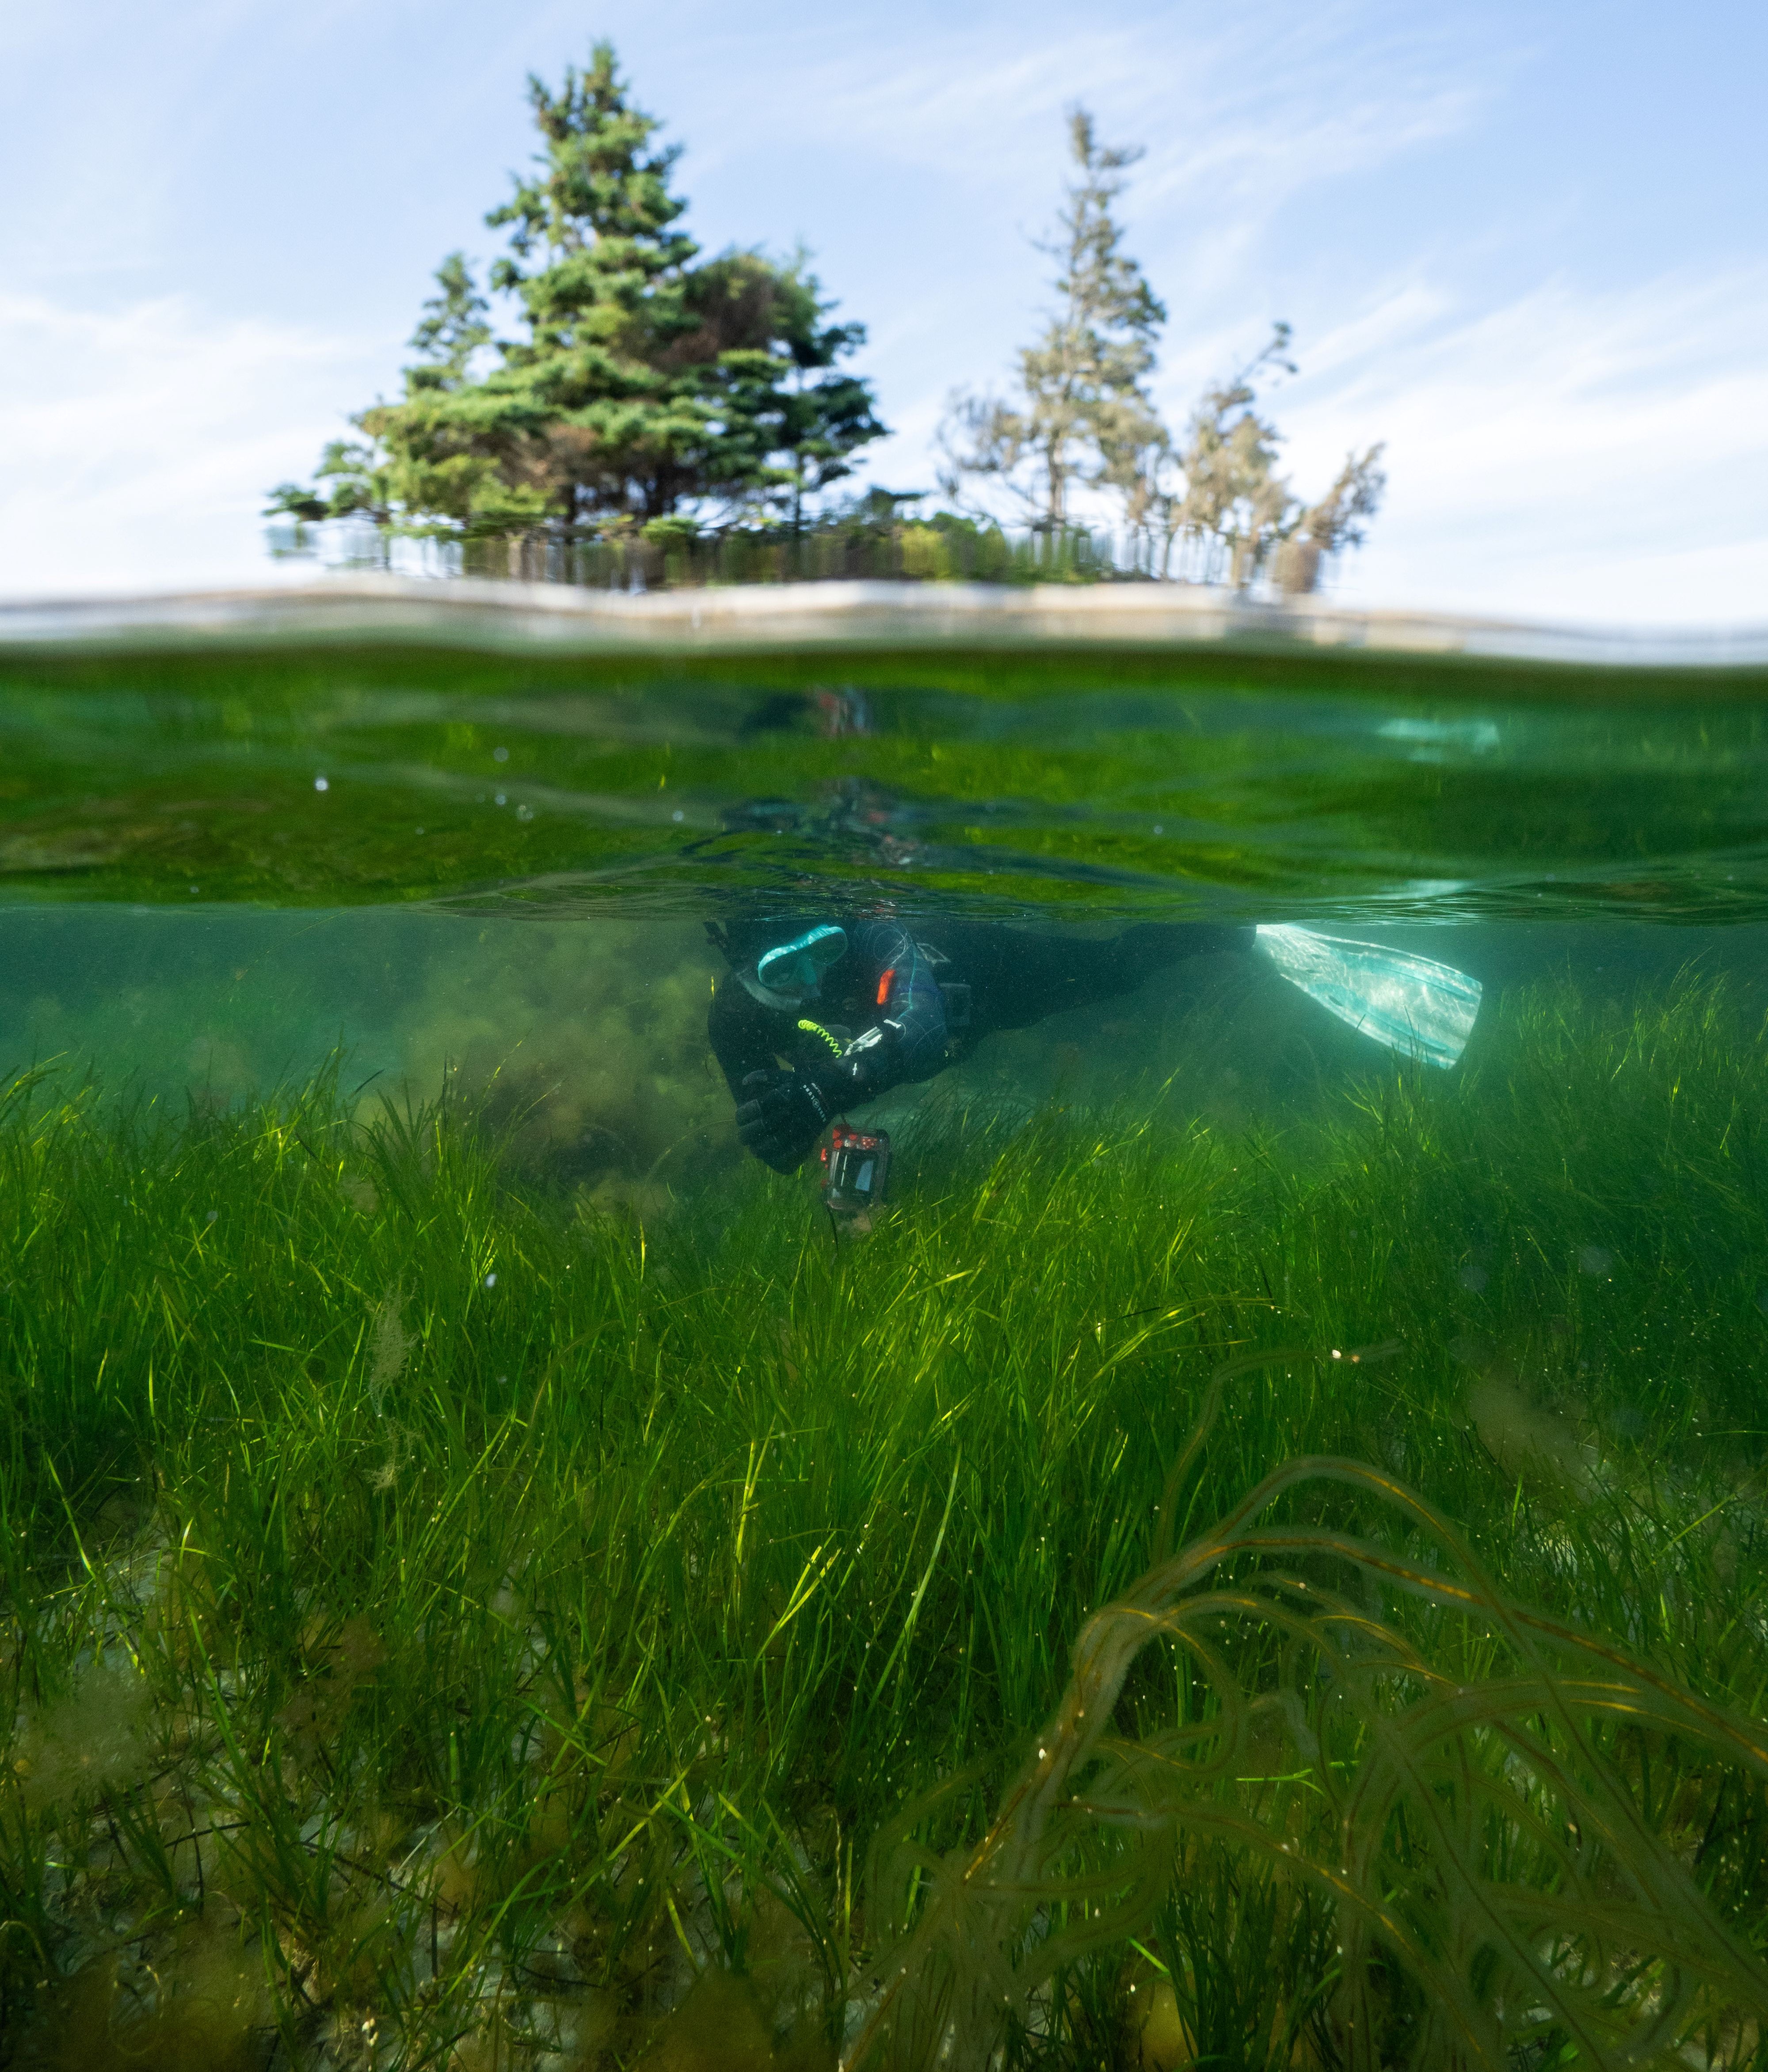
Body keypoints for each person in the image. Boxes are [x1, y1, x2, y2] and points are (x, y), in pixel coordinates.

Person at [707, 913, 1252, 1171]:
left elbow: (922, 1025)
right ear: (740, 964)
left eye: (824, 949)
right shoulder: (735, 1018)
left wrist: (827, 1089)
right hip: (946, 1033)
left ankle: (1238, 929)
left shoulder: (873, 934)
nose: (812, 979)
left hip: (987, 973)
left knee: (1114, 970)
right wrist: (780, 1125)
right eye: (782, 969)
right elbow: (781, 1147)